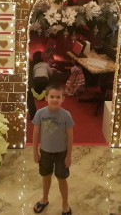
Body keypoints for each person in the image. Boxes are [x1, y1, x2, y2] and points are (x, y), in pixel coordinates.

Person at [32, 84, 74, 215]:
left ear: (63, 99)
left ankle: (65, 204)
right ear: (46, 98)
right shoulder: (40, 113)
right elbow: (35, 133)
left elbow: (70, 136)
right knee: (46, 176)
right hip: (45, 152)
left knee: (62, 178)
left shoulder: (66, 115)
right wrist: (35, 152)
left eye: (58, 97)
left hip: (61, 153)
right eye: (52, 96)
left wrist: (69, 155)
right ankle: (44, 199)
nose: (55, 99)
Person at [27, 51, 53, 120]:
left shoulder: (34, 66)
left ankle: (39, 95)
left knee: (36, 90)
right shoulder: (46, 64)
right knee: (46, 87)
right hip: (45, 80)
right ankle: (44, 94)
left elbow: (33, 74)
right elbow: (50, 73)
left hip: (36, 81)